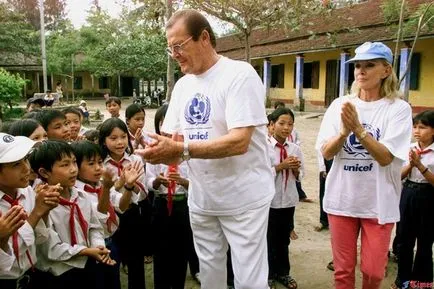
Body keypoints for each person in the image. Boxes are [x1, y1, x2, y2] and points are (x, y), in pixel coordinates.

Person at [137, 9, 275, 289]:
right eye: (169, 48)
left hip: (243, 198)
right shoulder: (183, 86)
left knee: (249, 280)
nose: (174, 53)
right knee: (210, 275)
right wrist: (154, 147)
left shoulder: (239, 74)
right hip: (202, 198)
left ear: (204, 38)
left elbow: (239, 141)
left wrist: (183, 149)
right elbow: (173, 139)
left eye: (179, 45)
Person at [315, 41, 413, 289]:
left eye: (370, 65)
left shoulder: (398, 109)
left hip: (378, 203)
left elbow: (386, 157)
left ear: (386, 70)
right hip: (341, 201)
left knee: (373, 272)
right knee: (343, 271)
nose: (361, 71)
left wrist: (358, 130)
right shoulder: (340, 105)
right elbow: (326, 152)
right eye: (358, 65)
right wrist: (342, 133)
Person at [29, 140, 115, 289]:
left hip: (86, 266)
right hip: (57, 275)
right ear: (44, 172)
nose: (73, 169)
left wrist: (98, 246)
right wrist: (86, 251)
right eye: (64, 165)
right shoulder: (40, 205)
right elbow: (51, 249)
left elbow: (94, 227)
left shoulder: (81, 196)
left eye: (74, 162)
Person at [71, 140, 143, 289]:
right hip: (92, 249)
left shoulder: (99, 185)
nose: (98, 168)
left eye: (99, 162)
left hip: (111, 240)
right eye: (91, 164)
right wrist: (106, 187)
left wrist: (128, 186)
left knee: (113, 281)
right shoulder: (77, 193)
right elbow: (100, 215)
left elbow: (121, 207)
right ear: (76, 167)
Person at [0, 133, 60, 289]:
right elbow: (6, 263)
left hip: (32, 275)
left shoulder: (27, 191)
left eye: (25, 159)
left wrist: (45, 210)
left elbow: (40, 239)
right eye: (15, 165)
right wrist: (36, 213)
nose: (27, 168)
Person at [98, 118, 150, 289]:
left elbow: (143, 194)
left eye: (123, 137)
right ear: (104, 141)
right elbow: (100, 193)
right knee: (113, 260)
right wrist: (120, 183)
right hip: (110, 216)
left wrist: (132, 185)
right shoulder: (100, 164)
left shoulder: (135, 159)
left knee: (136, 260)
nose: (119, 142)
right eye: (113, 138)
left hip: (132, 214)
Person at [146, 104, 191, 289]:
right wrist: (157, 181)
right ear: (159, 125)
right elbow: (148, 180)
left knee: (181, 251)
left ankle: (178, 284)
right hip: (162, 205)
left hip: (183, 206)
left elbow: (198, 182)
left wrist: (183, 181)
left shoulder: (188, 151)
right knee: (161, 250)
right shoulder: (154, 149)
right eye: (165, 124)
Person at [392, 110, 434, 289]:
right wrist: (411, 164)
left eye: (423, 127)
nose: (417, 131)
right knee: (404, 240)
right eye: (415, 126)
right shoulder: (408, 149)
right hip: (408, 193)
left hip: (429, 196)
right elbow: (398, 176)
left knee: (425, 241)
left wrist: (420, 165)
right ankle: (402, 280)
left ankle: (421, 282)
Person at [267, 107, 303, 289]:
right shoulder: (265, 148)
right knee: (268, 238)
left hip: (288, 200)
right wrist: (281, 166)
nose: (286, 128)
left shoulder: (295, 148)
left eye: (290, 124)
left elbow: (300, 176)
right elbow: (262, 175)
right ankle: (268, 274)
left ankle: (283, 272)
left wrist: (295, 169)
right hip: (269, 202)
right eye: (281, 123)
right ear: (271, 125)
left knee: (283, 239)